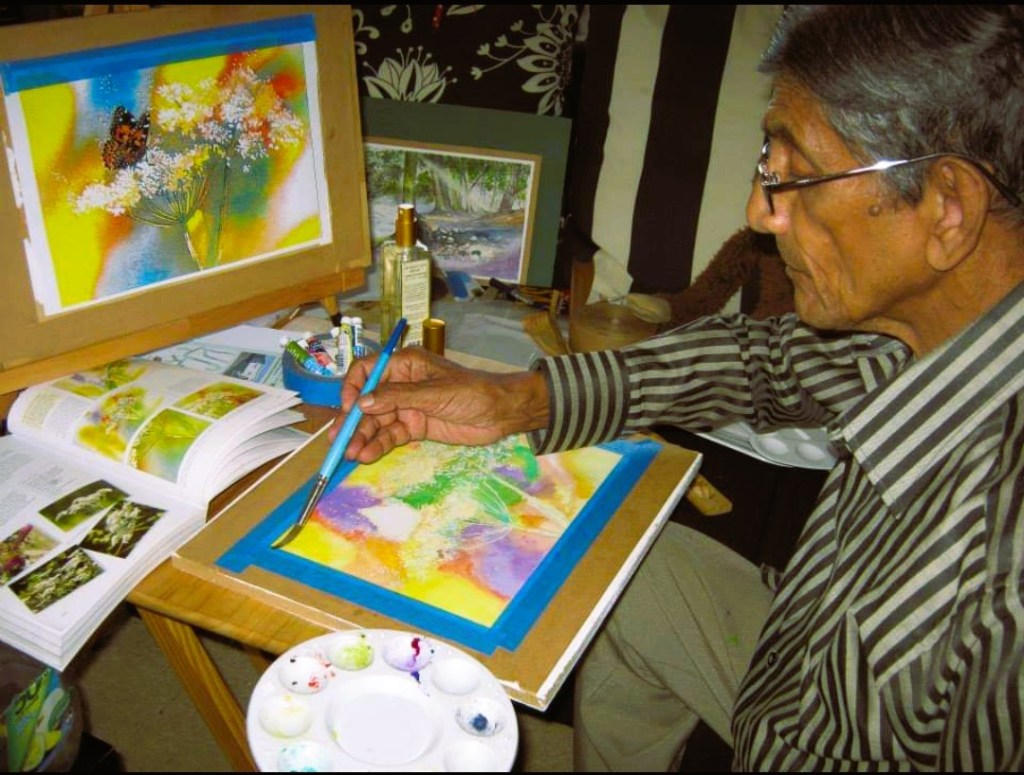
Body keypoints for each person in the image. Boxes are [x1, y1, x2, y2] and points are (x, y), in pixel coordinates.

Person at [336, 6, 1024, 771]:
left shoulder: (996, 594)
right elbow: (765, 359)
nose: (760, 216)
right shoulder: (932, 328)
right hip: (806, 639)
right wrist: (518, 400)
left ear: (948, 208)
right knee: (613, 572)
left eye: (794, 175)